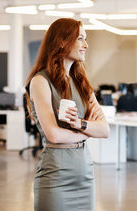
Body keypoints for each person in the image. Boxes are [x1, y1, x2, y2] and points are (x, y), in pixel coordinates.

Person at [25, 18, 110, 211]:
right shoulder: (40, 81)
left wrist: (80, 124)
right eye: (80, 39)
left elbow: (105, 130)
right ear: (62, 41)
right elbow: (53, 135)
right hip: (56, 175)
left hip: (85, 174)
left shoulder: (82, 84)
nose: (86, 45)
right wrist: (88, 131)